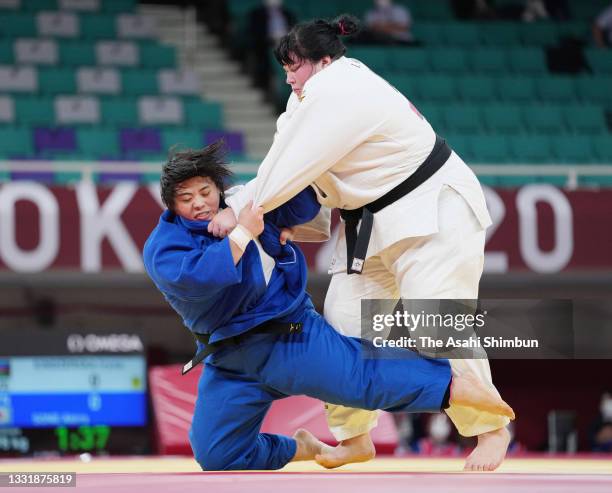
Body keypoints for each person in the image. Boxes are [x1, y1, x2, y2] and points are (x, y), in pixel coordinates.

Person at [208, 14, 514, 471]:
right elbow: (301, 180)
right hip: (368, 224)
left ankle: (492, 430)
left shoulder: (342, 88)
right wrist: (274, 221)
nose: (289, 77)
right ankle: (354, 438)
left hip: (434, 211)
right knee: (343, 328)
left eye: (296, 66)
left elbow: (285, 172)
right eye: (285, 69)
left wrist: (237, 211)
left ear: (325, 60)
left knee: (435, 326)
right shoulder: (304, 106)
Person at [143, 141, 514, 471]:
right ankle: (299, 448)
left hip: (288, 338)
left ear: (218, 189)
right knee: (215, 454)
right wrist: (244, 231)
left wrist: (263, 213)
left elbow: (304, 197)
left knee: (359, 377)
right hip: (228, 360)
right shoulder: (164, 246)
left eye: (205, 192)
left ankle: (451, 386)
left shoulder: (246, 204)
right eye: (186, 198)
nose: (198, 203)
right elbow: (202, 277)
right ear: (171, 205)